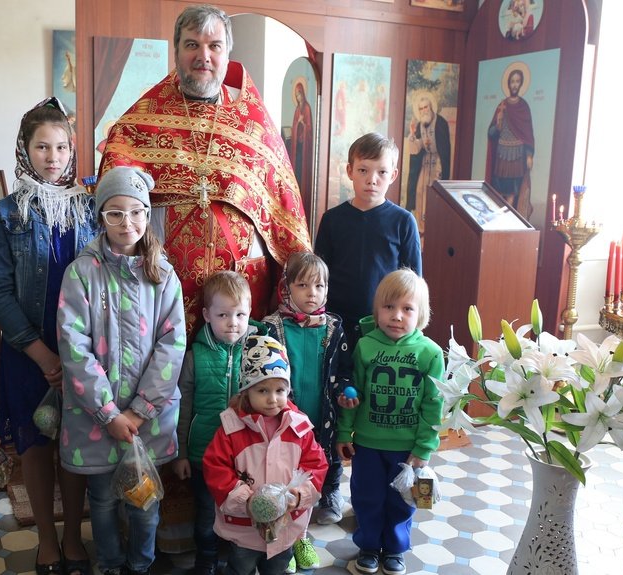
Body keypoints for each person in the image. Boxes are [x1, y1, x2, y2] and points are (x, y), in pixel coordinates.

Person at [98, 4, 310, 336]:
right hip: (161, 289)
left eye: (214, 46)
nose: (204, 56)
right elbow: (113, 202)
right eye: (192, 44)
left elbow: (283, 211)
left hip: (239, 299)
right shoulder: (139, 123)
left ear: (227, 54)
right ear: (177, 51)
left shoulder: (255, 126)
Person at [0, 97, 97, 575]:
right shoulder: (5, 215)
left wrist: (75, 354)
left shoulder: (89, 208)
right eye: (42, 147)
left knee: (76, 444)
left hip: (82, 351)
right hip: (28, 351)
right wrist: (43, 354)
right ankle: (47, 540)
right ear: (25, 150)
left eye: (62, 147)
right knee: (36, 444)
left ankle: (72, 538)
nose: (53, 157)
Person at [57, 167, 186, 575]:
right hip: (95, 419)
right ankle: (110, 564)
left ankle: (140, 565)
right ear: (101, 217)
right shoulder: (81, 272)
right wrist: (108, 413)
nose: (126, 222)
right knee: (102, 500)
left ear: (147, 214)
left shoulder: (163, 274)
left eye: (135, 212)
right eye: (115, 213)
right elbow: (73, 347)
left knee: (144, 503)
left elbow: (172, 346)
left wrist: (140, 409)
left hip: (148, 419)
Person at [336, 269, 444, 575]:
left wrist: (424, 447)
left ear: (421, 314)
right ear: (377, 310)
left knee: (402, 501)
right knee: (367, 497)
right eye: (389, 307)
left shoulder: (430, 353)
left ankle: (395, 549)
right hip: (368, 442)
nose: (396, 316)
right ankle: (369, 546)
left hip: (406, 447)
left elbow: (433, 404)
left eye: (407, 309)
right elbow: (354, 393)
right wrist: (344, 431)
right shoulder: (365, 346)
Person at [202, 334, 328, 575]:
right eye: (262, 390)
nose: (272, 399)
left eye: (280, 390)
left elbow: (316, 465)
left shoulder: (298, 426)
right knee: (241, 567)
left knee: (277, 567)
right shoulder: (231, 428)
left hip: (286, 524)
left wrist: (297, 497)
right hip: (245, 528)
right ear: (246, 391)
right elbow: (216, 468)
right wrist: (248, 502)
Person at [261, 251, 353, 570]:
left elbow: (343, 371)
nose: (312, 293)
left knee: (311, 477)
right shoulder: (272, 328)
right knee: (283, 477)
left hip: (321, 420)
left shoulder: (334, 328)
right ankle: (284, 543)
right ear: (286, 288)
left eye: (319, 286)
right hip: (284, 421)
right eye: (302, 285)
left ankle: (303, 532)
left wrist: (346, 391)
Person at [172, 270, 268, 575]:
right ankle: (207, 558)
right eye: (223, 314)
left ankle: (240, 559)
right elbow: (183, 406)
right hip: (204, 454)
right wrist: (181, 453)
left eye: (240, 314)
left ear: (250, 312)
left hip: (247, 456)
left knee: (243, 510)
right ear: (206, 315)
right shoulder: (194, 356)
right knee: (205, 513)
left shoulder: (260, 353)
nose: (233, 323)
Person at [315, 132, 422, 360]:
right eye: (363, 170)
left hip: (384, 325)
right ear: (349, 171)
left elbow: (413, 283)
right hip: (335, 321)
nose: (372, 179)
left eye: (382, 172)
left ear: (393, 175)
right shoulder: (332, 219)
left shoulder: (403, 222)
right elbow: (319, 275)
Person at [486, 66, 534, 218]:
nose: (514, 84)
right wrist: (497, 126)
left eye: (517, 81)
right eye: (512, 81)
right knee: (499, 190)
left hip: (516, 156)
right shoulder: (502, 106)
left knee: (513, 192)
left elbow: (528, 134)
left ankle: (508, 219)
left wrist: (529, 155)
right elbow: (491, 133)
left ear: (521, 84)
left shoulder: (523, 107)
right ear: (508, 83)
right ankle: (499, 218)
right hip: (501, 155)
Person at [404, 95, 451, 226]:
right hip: (424, 165)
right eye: (421, 109)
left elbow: (444, 150)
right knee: (419, 191)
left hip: (437, 163)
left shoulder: (440, 123)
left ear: (431, 107)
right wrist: (412, 135)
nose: (424, 111)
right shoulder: (420, 125)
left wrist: (441, 170)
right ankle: (420, 227)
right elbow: (417, 148)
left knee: (433, 194)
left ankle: (432, 226)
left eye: (426, 107)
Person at [289, 79, 314, 215]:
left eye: (299, 94)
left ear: (303, 94)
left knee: (302, 172)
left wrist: (303, 124)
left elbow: (309, 129)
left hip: (304, 147)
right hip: (297, 146)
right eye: (296, 95)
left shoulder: (307, 108)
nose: (298, 97)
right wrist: (297, 123)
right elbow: (294, 127)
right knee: (297, 172)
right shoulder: (297, 109)